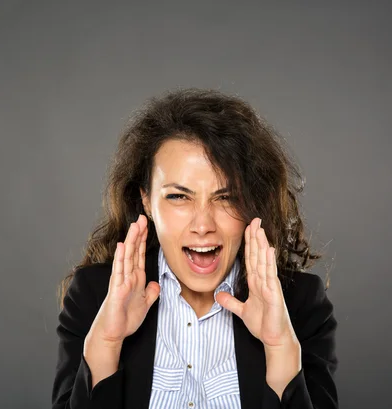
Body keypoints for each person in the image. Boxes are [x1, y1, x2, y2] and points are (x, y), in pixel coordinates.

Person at [52, 88, 338, 409]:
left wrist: (280, 347)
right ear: (146, 200)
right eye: (179, 196)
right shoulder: (94, 296)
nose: (203, 225)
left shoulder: (300, 303)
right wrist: (106, 343)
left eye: (226, 197)